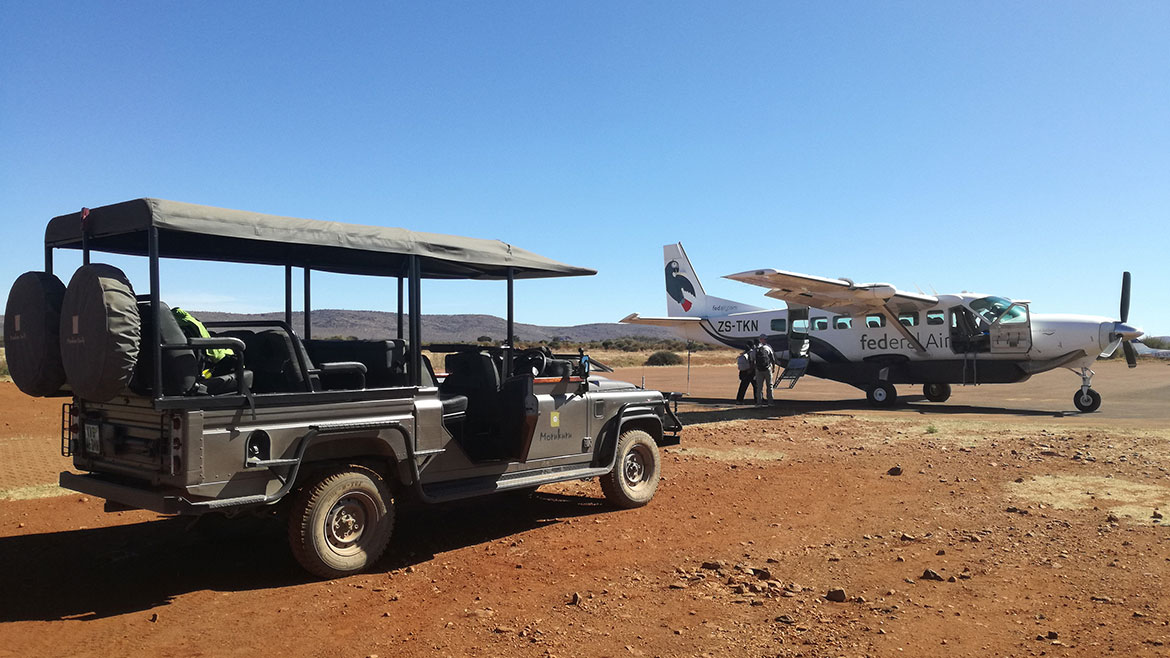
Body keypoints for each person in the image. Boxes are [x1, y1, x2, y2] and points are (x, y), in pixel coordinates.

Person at [753, 334, 776, 405]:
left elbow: (753, 359)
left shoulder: (756, 348)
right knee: (769, 385)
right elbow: (772, 358)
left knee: (759, 387)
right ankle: (770, 402)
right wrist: (773, 367)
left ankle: (759, 402)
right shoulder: (768, 347)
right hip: (767, 368)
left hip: (758, 369)